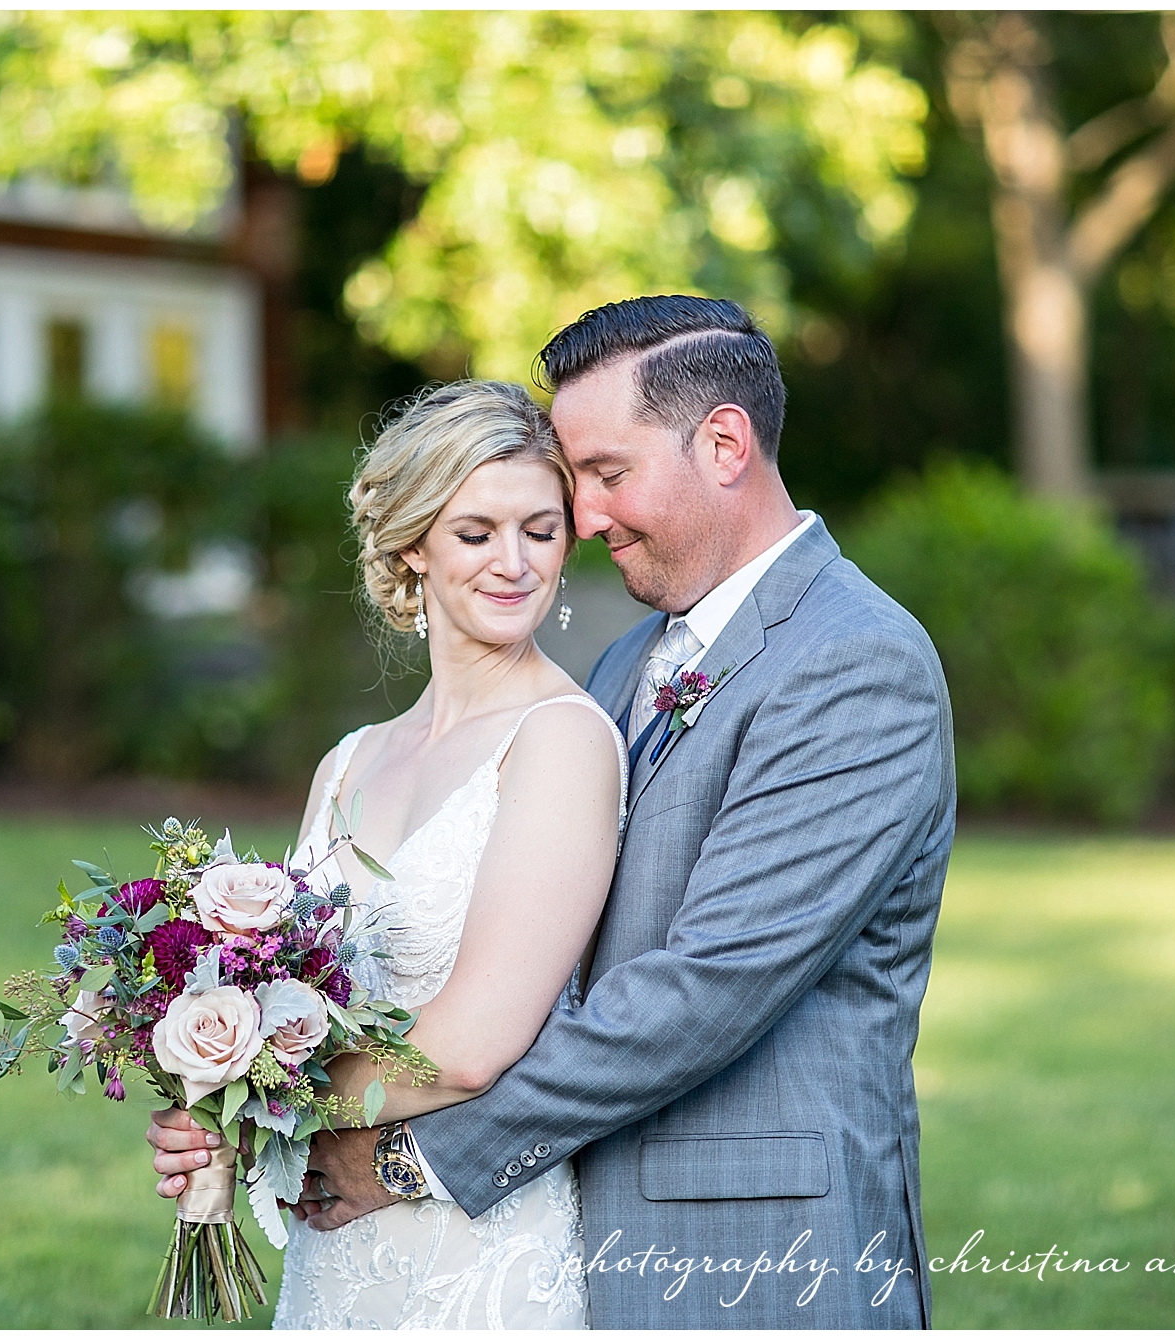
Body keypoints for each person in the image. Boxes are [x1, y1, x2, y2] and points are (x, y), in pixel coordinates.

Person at [154, 296, 955, 1328]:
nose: (580, 521)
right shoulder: (625, 661)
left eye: (605, 475)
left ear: (723, 443)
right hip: (570, 1214)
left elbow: (703, 988)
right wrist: (234, 1089)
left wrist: (399, 1153)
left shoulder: (854, 661)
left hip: (751, 1243)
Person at [167, 378, 627, 1326]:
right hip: (333, 1244)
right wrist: (210, 1108)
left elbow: (469, 1049)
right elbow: (279, 998)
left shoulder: (560, 742)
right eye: (476, 533)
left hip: (475, 1245)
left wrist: (264, 1107)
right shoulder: (348, 763)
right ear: (414, 544)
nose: (515, 563)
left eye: (541, 532)